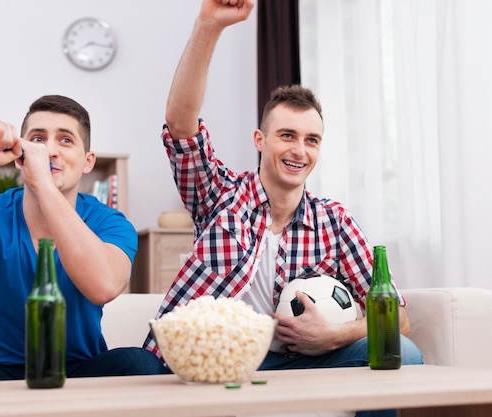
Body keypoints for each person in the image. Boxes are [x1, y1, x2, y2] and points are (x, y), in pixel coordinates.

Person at [144, 1, 422, 416]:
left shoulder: (334, 220)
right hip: (215, 365)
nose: (299, 150)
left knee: (408, 354)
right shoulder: (220, 195)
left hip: (300, 364)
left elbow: (395, 319)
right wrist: (209, 26)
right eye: (287, 135)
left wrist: (332, 337)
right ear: (260, 140)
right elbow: (181, 127)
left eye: (311, 139)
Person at [0, 94, 168, 383]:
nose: (50, 150)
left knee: (139, 363)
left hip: (79, 373)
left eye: (65, 140)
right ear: (20, 157)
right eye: (38, 139)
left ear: (88, 161)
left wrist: (43, 183)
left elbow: (103, 287)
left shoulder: (109, 222)